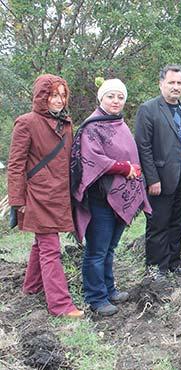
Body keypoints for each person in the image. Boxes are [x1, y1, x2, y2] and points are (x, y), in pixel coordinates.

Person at [71, 79, 152, 316]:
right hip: (100, 199)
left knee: (110, 248)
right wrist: (123, 168)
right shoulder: (92, 127)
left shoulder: (120, 124)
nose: (115, 101)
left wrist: (134, 172)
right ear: (101, 98)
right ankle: (96, 298)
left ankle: (109, 288)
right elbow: (92, 159)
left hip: (120, 197)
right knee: (96, 250)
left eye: (120, 97)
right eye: (110, 96)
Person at [7, 74, 84, 318]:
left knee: (41, 244)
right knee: (51, 248)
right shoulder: (26, 122)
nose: (59, 100)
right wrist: (17, 200)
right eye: (53, 95)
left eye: (62, 95)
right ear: (42, 97)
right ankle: (60, 305)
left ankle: (31, 287)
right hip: (37, 196)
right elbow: (16, 164)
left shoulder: (66, 124)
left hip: (59, 196)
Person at [135, 64, 181, 281]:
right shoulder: (149, 109)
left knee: (178, 221)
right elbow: (143, 146)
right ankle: (156, 268)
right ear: (161, 83)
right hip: (161, 179)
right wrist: (152, 178)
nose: (175, 87)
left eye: (179, 83)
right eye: (171, 82)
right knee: (158, 223)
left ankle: (173, 262)